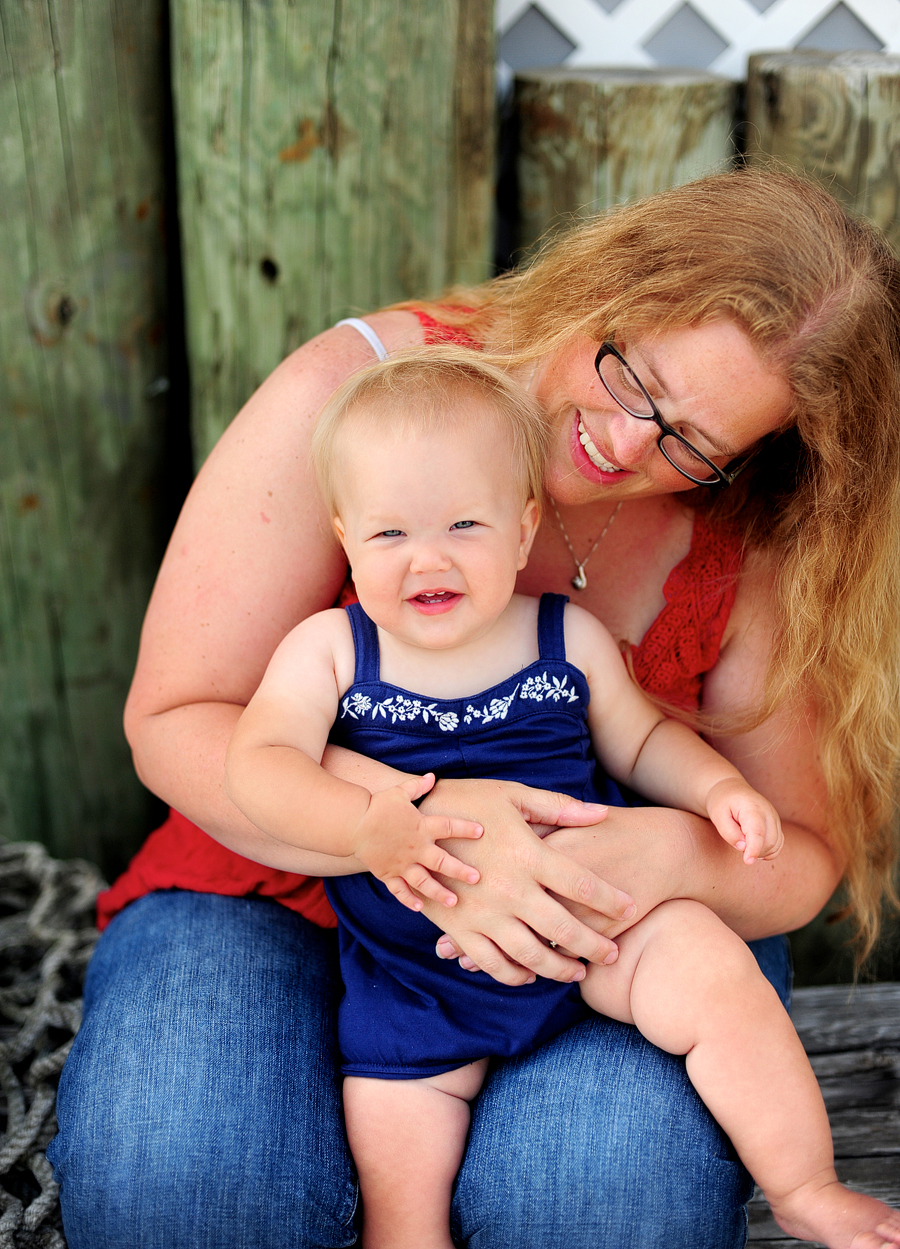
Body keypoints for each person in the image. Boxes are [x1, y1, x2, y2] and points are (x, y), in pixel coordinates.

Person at [48, 168, 900, 1249]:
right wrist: (427, 830)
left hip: (586, 923)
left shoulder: (755, 532)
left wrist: (655, 857)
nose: (631, 444)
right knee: (186, 1188)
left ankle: (808, 1187)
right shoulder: (366, 402)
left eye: (692, 442)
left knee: (603, 1207)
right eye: (631, 374)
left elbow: (797, 846)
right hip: (268, 879)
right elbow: (173, 718)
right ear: (605, 284)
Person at [224, 347, 900, 1249]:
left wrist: (721, 787)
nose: (428, 556)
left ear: (522, 527)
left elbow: (650, 740)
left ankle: (805, 1182)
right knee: (397, 1163)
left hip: (594, 935)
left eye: (465, 523)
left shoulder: (562, 636)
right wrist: (369, 824)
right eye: (389, 534)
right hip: (418, 981)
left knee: (713, 970)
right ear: (344, 537)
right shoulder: (332, 651)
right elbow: (259, 763)